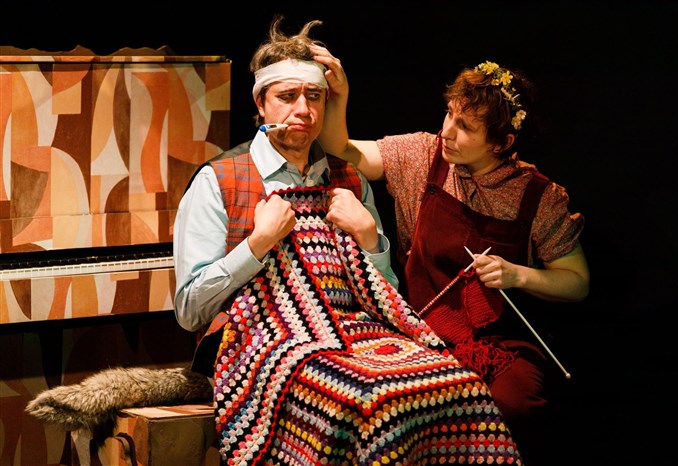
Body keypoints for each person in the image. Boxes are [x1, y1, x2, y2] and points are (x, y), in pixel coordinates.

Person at [173, 16, 525, 465]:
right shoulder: (219, 179)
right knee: (373, 402)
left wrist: (369, 237)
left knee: (461, 387)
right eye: (287, 97)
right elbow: (189, 310)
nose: (303, 109)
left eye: (314, 96)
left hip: (357, 336)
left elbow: (387, 296)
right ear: (261, 103)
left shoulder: (348, 178)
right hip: (258, 345)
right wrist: (256, 245)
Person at [315, 49, 590, 463]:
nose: (447, 131)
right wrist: (340, 95)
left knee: (511, 406)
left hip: (502, 343)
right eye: (449, 114)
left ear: (502, 142)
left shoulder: (538, 196)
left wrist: (518, 275)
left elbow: (577, 282)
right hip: (421, 332)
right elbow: (341, 147)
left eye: (465, 127)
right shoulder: (421, 156)